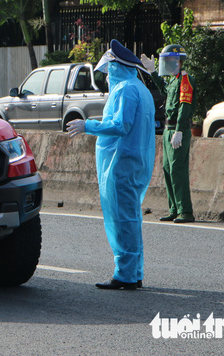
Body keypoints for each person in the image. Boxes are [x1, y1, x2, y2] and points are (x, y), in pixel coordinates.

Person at [67, 40, 156, 290]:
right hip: (134, 163)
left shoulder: (126, 90)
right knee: (131, 219)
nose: (107, 77)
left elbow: (121, 125)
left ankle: (125, 275)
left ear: (117, 67)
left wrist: (88, 125)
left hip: (121, 164)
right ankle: (134, 272)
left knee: (122, 220)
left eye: (109, 70)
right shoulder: (140, 88)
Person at [141, 45, 195, 223]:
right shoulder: (173, 80)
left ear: (179, 62)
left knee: (177, 170)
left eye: (170, 61)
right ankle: (174, 208)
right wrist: (152, 72)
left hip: (178, 129)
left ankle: (185, 211)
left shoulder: (185, 79)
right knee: (168, 169)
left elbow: (184, 106)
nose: (169, 64)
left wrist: (179, 129)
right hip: (167, 129)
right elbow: (165, 92)